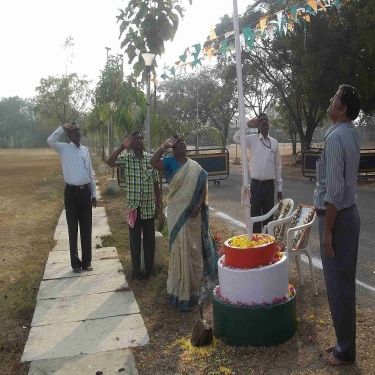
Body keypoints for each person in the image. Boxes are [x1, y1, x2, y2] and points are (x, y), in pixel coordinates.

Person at [313, 84, 361, 366]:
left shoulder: (334, 138)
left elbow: (334, 191)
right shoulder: (352, 134)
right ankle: (345, 342)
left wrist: (327, 231)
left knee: (337, 286)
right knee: (344, 285)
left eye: (334, 98)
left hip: (337, 219)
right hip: (348, 215)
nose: (330, 100)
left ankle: (345, 350)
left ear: (341, 108)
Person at [150, 135, 217, 312]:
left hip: (193, 216)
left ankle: (194, 290)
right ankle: (179, 290)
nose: (182, 145)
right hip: (175, 213)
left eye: (183, 142)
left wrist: (198, 204)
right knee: (178, 250)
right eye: (177, 143)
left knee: (194, 250)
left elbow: (204, 186)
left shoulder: (195, 168)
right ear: (173, 147)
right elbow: (153, 161)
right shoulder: (169, 162)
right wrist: (164, 145)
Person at [107, 131, 161, 280]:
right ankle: (136, 271)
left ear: (143, 142)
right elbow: (110, 162)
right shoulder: (126, 159)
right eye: (135, 139)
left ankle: (148, 271)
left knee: (149, 241)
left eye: (140, 139)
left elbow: (157, 185)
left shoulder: (151, 160)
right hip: (134, 209)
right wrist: (121, 147)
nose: (138, 141)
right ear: (130, 143)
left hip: (148, 208)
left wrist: (159, 206)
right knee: (135, 242)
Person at [47, 122, 97, 273]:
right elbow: (50, 140)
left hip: (85, 193)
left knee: (86, 227)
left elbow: (90, 173)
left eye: (78, 132)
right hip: (71, 193)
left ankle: (87, 262)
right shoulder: (63, 148)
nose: (77, 134)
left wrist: (94, 194)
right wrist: (62, 127)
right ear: (69, 135)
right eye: (74, 132)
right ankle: (75, 263)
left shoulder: (85, 150)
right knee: (72, 228)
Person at [233, 113, 282, 233]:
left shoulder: (274, 142)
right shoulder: (251, 139)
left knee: (268, 219)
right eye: (261, 121)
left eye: (266, 120)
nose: (264, 122)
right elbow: (236, 138)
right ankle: (256, 247)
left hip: (269, 186)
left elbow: (278, 166)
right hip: (256, 185)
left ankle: (266, 248)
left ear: (269, 124)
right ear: (258, 125)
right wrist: (247, 125)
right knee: (254, 217)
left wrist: (280, 188)